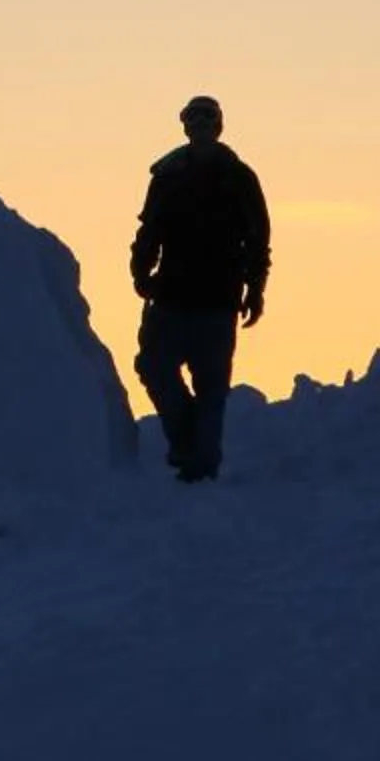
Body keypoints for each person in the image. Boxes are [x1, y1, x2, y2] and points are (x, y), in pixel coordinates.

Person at [128, 95, 271, 483]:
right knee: (154, 368)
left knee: (211, 387)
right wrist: (141, 271)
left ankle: (202, 466)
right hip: (171, 295)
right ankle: (190, 441)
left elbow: (258, 241)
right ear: (186, 126)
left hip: (218, 300)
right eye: (195, 120)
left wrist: (255, 291)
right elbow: (149, 231)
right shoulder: (168, 176)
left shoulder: (241, 179)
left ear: (219, 126)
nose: (202, 126)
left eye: (208, 119)